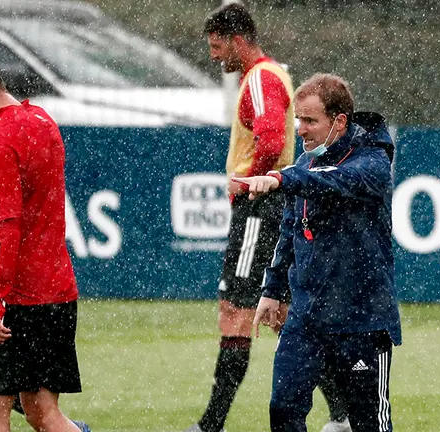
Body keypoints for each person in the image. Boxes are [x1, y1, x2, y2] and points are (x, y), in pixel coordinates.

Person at [185, 4, 348, 432]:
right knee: (280, 312)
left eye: (218, 46)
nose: (214, 55)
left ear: (239, 40)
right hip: (272, 204)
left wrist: (250, 182)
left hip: (261, 208)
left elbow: (272, 137)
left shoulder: (260, 77)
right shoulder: (269, 76)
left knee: (237, 310)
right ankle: (345, 413)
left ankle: (210, 425)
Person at [237, 73, 402, 432]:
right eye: (298, 119)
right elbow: (290, 231)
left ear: (339, 122)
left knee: (369, 423)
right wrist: (272, 290)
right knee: (283, 410)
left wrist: (282, 178)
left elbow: (336, 180)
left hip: (362, 319)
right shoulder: (307, 163)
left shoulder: (373, 161)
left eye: (310, 120)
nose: (300, 128)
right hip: (307, 317)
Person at [0, 57, 90, 432]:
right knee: (43, 413)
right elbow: (13, 190)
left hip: (17, 299)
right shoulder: (42, 121)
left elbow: (4, 226)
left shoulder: (1, 140)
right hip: (57, 292)